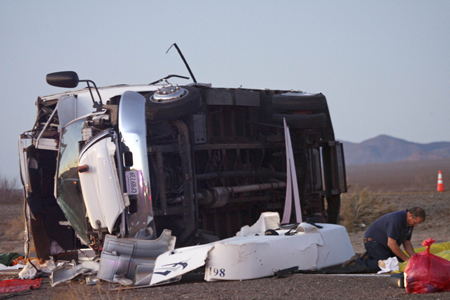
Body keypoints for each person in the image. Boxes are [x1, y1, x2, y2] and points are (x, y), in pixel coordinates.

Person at [344, 207, 425, 272]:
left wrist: (414, 257)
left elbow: (407, 242)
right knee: (388, 265)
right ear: (410, 215)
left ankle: (370, 257)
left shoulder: (409, 223)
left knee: (399, 263)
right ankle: (356, 263)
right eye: (415, 222)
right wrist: (406, 259)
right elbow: (391, 243)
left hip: (386, 246)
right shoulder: (397, 220)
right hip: (374, 243)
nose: (415, 225)